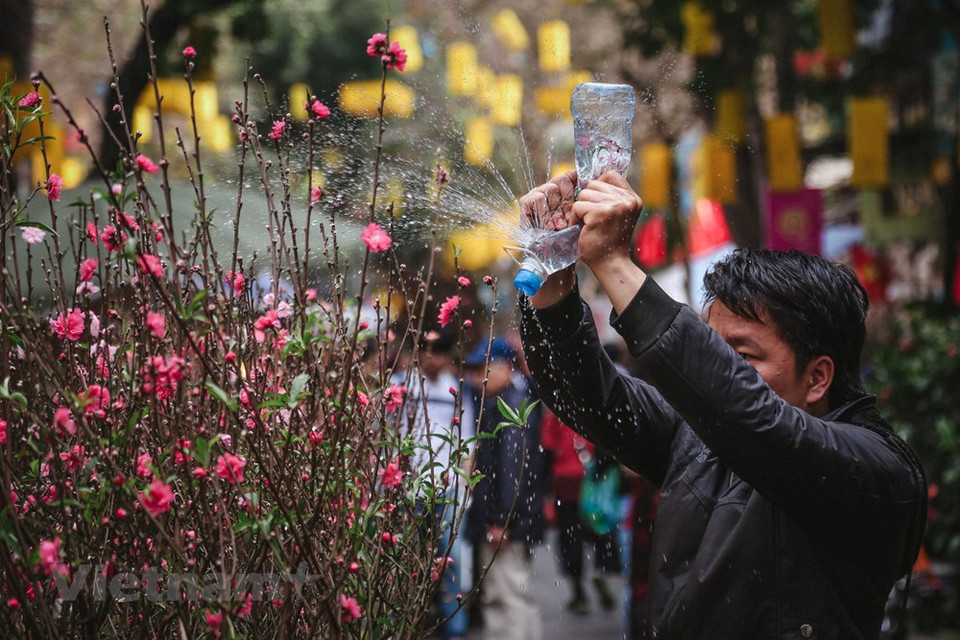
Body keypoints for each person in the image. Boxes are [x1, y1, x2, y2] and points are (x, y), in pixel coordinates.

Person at [516, 169, 927, 639]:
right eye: (712, 348)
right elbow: (590, 396)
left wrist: (614, 263)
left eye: (742, 355)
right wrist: (553, 284)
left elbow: (760, 423)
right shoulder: (696, 439)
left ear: (817, 378)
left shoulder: (878, 470)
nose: (717, 369)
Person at [395, 326, 476, 640]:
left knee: (450, 557)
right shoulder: (400, 387)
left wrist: (465, 487)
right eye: (428, 351)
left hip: (448, 487)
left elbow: (467, 440)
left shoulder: (456, 390)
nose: (434, 359)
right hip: (410, 487)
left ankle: (454, 629)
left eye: (440, 353)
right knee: (406, 559)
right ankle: (402, 623)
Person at [464, 337, 546, 640]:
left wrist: (502, 519)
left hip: (506, 522)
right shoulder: (506, 402)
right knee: (512, 594)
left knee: (507, 595)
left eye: (484, 367)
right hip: (510, 519)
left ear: (505, 368)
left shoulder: (509, 407)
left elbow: (513, 471)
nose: (478, 376)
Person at [541, 408, 620, 614]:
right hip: (593, 483)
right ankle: (600, 570)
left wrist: (545, 491)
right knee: (601, 531)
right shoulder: (592, 407)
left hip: (566, 485)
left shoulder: (555, 411)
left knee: (571, 539)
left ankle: (578, 594)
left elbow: (547, 449)